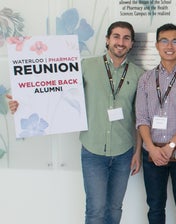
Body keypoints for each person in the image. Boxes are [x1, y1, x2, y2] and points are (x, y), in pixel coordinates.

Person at [8, 21, 145, 224]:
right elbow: (56, 91)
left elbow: (140, 117)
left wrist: (137, 152)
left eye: (126, 38)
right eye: (116, 36)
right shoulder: (86, 66)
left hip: (123, 152)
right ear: (107, 40)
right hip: (93, 151)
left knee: (115, 209)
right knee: (95, 210)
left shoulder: (138, 74)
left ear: (132, 43)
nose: (120, 42)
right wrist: (24, 103)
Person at [135, 23, 176, 224]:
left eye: (175, 41)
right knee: (155, 207)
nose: (169, 46)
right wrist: (151, 148)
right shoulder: (146, 79)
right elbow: (141, 117)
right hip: (152, 153)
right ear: (156, 45)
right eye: (164, 41)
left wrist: (170, 146)